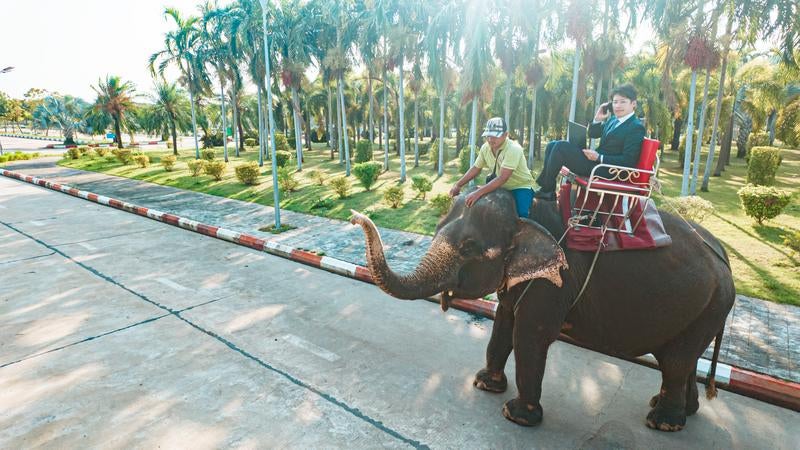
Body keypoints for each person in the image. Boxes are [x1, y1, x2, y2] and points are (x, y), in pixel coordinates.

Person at [535, 83, 646, 199]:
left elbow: (629, 161)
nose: (617, 106)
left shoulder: (635, 127)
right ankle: (547, 188)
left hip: (609, 170)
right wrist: (597, 119)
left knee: (560, 147)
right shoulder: (614, 120)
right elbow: (593, 134)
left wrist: (599, 157)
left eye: (622, 102)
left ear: (633, 104)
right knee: (552, 145)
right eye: (615, 102)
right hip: (596, 163)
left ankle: (547, 190)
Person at [449, 117, 535, 218]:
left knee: (521, 215)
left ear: (505, 135)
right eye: (488, 135)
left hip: (520, 186)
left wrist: (478, 193)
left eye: (494, 136)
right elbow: (476, 168)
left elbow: (503, 178)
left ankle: (526, 233)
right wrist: (458, 185)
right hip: (500, 186)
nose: (490, 139)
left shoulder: (514, 149)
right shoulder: (485, 147)